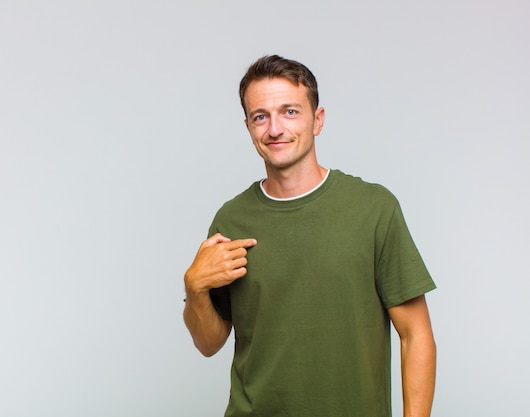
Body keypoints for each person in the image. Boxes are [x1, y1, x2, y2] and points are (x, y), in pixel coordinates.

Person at [183, 55, 436, 417]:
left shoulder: (373, 209)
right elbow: (209, 343)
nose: (274, 129)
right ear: (249, 127)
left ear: (317, 120)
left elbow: (416, 335)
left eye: (289, 112)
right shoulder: (232, 219)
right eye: (260, 116)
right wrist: (194, 287)